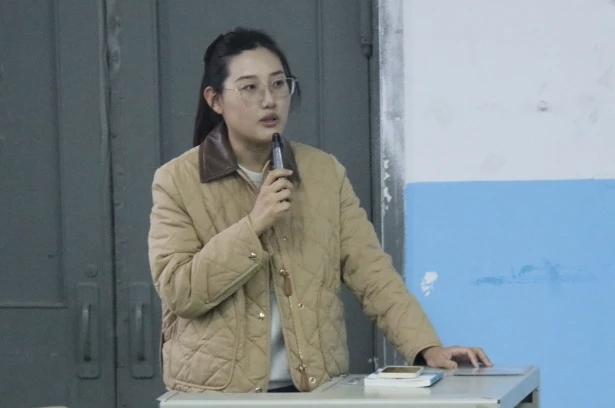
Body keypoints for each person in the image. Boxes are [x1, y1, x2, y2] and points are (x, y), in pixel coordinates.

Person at [148, 27, 492, 394]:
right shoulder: (177, 180)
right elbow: (179, 291)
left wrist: (426, 347)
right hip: (216, 396)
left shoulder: (323, 172)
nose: (269, 100)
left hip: (314, 391)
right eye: (250, 88)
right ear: (215, 99)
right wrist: (253, 225)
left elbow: (372, 272)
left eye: (279, 84)